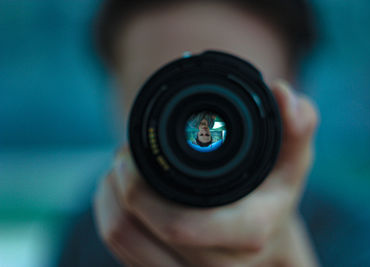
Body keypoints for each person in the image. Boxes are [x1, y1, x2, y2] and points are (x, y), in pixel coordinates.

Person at [59, 0, 319, 266]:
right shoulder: (87, 233)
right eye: (163, 94)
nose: (190, 112)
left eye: (232, 91)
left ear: (289, 101)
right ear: (112, 96)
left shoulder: (356, 243)